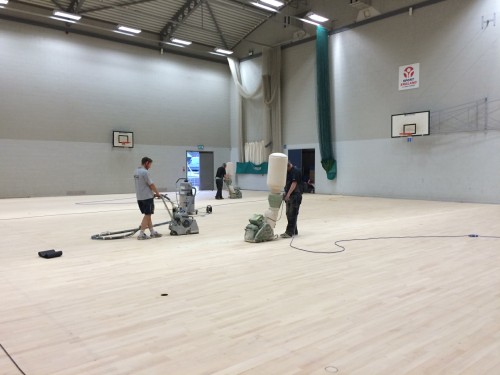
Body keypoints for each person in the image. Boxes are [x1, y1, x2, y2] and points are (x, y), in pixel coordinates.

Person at [134, 156, 162, 240]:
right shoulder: (145, 172)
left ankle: (152, 232)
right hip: (147, 197)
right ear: (146, 163)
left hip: (140, 197)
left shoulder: (136, 171)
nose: (150, 166)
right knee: (147, 215)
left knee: (148, 215)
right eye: (150, 164)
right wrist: (157, 193)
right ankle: (141, 234)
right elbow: (151, 184)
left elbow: (142, 184)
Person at [281, 161, 303, 238]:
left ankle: (289, 232)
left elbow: (294, 183)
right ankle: (294, 230)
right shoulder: (288, 172)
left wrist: (288, 194)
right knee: (288, 213)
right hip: (289, 195)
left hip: (295, 196)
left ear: (288, 166)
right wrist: (285, 193)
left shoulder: (295, 171)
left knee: (292, 214)